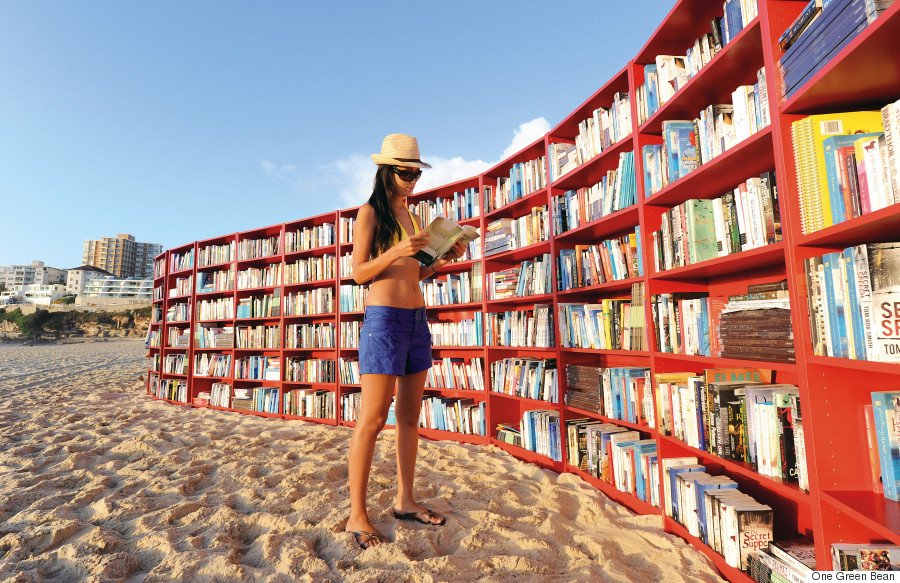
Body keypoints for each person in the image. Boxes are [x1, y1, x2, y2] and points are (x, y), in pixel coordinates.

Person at [344, 133, 468, 550]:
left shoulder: (415, 218)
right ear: (386, 172)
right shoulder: (369, 214)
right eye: (405, 173)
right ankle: (356, 515)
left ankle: (405, 499)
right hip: (384, 319)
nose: (413, 180)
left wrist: (440, 259)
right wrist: (398, 249)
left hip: (416, 319)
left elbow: (416, 273)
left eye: (417, 173)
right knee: (373, 417)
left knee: (411, 418)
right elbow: (360, 273)